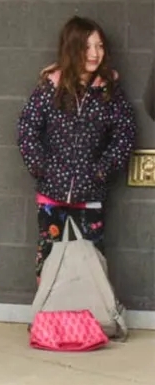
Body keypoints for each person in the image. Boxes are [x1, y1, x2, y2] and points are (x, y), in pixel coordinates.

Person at [17, 17, 136, 284]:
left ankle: (87, 321)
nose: (95, 54)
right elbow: (27, 128)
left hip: (90, 193)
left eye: (100, 46)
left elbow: (125, 135)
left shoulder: (110, 92)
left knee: (91, 260)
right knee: (48, 259)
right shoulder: (50, 88)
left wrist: (102, 171)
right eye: (87, 47)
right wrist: (41, 168)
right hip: (51, 194)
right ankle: (48, 319)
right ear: (72, 48)